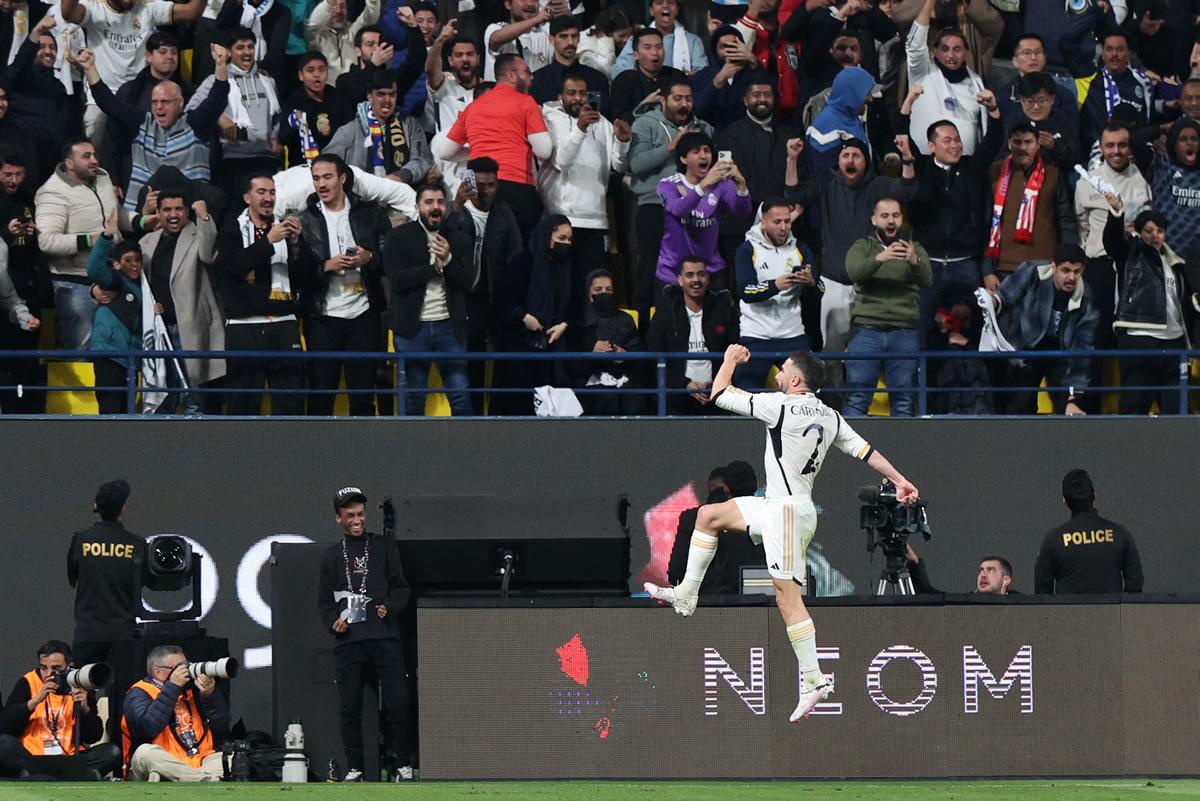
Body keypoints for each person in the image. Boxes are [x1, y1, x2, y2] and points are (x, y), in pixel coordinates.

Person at [645, 345, 920, 721]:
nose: (779, 370)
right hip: (777, 505)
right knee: (707, 516)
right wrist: (900, 479)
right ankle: (686, 595)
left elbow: (720, 394)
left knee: (786, 600)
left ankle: (814, 679)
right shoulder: (831, 416)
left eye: (785, 368)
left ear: (795, 380)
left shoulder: (781, 405)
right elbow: (865, 451)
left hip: (787, 514)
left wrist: (729, 360)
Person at [784, 136, 917, 359]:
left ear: (866, 161)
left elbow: (907, 190)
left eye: (856, 155)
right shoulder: (827, 185)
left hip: (871, 285)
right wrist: (791, 159)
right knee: (830, 353)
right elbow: (794, 193)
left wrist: (907, 159)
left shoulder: (879, 185)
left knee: (869, 354)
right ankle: (833, 394)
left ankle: (863, 393)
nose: (850, 160)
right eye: (845, 155)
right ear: (839, 161)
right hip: (833, 283)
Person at [317, 486, 414, 782]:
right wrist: (334, 621)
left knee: (398, 701)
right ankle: (356, 767)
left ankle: (403, 765)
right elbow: (324, 602)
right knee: (350, 707)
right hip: (350, 643)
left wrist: (389, 607)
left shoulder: (384, 547)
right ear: (338, 519)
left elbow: (401, 587)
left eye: (360, 514)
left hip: (384, 637)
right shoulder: (332, 557)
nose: (357, 520)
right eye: (350, 515)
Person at [76, 44, 229, 212]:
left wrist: (221, 66)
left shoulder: (195, 123)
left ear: (180, 103)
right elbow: (109, 103)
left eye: (165, 102)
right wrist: (90, 69)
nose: (159, 107)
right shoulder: (142, 122)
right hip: (147, 210)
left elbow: (217, 100)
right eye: (155, 102)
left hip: (189, 210)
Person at [296, 154, 390, 416]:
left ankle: (363, 456)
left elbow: (392, 260)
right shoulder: (305, 220)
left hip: (364, 316)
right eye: (316, 178)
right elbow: (298, 275)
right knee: (320, 396)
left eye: (327, 177)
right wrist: (326, 267)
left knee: (362, 398)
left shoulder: (371, 214)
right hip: (322, 318)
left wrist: (369, 258)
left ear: (343, 178)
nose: (321, 184)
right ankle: (318, 455)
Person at [433, 53, 552, 241]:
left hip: (477, 190)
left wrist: (480, 149)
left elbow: (445, 152)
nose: (531, 78)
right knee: (517, 255)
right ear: (512, 75)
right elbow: (544, 151)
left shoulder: (473, 107)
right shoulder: (526, 102)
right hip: (516, 186)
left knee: (482, 251)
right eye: (526, 72)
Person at [538, 71, 630, 313]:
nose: (578, 98)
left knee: (590, 289)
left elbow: (619, 166)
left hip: (596, 221)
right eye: (571, 93)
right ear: (561, 96)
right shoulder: (549, 119)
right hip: (561, 219)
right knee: (562, 288)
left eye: (582, 93)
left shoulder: (601, 123)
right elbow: (561, 162)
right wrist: (579, 128)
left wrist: (622, 141)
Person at [215, 173, 306, 415]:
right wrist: (268, 242)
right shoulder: (231, 229)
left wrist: (296, 246)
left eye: (272, 192)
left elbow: (304, 278)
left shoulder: (286, 231)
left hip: (284, 325)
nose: (268, 198)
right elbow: (229, 268)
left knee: (291, 406)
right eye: (261, 192)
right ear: (247, 198)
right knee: (242, 406)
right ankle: (243, 454)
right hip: (244, 327)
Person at [383, 181, 473, 416]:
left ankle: (468, 450)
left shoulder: (460, 239)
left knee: (461, 395)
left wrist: (449, 259)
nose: (435, 208)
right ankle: (412, 451)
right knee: (413, 399)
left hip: (450, 328)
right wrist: (435, 269)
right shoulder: (398, 237)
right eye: (429, 202)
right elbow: (398, 280)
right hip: (412, 329)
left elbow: (467, 282)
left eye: (440, 202)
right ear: (417, 206)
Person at [627, 75, 712, 322]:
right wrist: (671, 147)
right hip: (655, 208)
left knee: (695, 273)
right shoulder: (645, 124)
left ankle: (692, 329)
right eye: (677, 99)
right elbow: (636, 164)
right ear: (663, 100)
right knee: (649, 273)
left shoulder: (703, 129)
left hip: (695, 211)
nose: (684, 104)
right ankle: (645, 334)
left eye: (688, 98)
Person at [1103, 195, 1195, 416]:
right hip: (1139, 337)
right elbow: (1113, 241)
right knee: (1134, 407)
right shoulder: (1131, 253)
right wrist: (1116, 213)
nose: (1155, 236)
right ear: (1138, 232)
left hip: (1175, 344)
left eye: (1160, 231)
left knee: (1177, 411)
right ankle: (1128, 451)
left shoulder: (1177, 264)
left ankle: (1175, 452)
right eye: (1149, 231)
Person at [35, 138, 129, 350]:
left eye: (94, 155)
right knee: (80, 348)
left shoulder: (103, 178)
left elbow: (114, 217)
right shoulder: (52, 192)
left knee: (115, 345)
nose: (94, 160)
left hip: (112, 276)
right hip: (75, 282)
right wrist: (90, 239)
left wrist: (140, 220)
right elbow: (46, 241)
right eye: (86, 156)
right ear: (69, 163)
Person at [444, 156, 521, 413]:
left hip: (491, 297)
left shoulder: (503, 211)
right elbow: (438, 239)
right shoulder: (457, 211)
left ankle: (494, 417)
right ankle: (471, 419)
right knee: (467, 365)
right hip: (460, 298)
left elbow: (514, 253)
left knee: (494, 362)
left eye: (491, 184)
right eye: (481, 184)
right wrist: (455, 205)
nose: (486, 190)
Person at [843, 196, 932, 417]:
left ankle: (900, 450)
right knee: (857, 398)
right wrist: (880, 258)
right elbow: (854, 272)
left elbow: (928, 280)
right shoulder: (862, 246)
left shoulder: (914, 248)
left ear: (902, 219)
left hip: (904, 331)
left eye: (895, 215)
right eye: (885, 216)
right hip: (866, 330)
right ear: (874, 220)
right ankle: (848, 451)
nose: (890, 221)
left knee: (903, 400)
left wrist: (914, 262)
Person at [988, 244, 1097, 416]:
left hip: (1062, 354)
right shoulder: (1031, 271)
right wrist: (992, 301)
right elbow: (1004, 296)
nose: (1071, 277)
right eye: (1065, 270)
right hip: (1027, 350)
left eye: (1077, 272)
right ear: (1054, 267)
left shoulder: (1087, 299)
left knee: (1067, 410)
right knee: (1019, 407)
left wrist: (1073, 398)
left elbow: (1083, 350)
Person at [0, 640, 122, 779]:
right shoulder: (28, 682)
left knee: (112, 751)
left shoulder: (80, 683)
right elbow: (5, 725)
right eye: (43, 668)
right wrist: (35, 701)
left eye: (56, 668)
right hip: (33, 755)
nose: (49, 674)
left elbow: (93, 736)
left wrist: (85, 709)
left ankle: (39, 774)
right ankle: (75, 775)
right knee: (4, 744)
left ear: (69, 666)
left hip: (69, 756)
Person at [186, 27, 282, 197]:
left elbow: (277, 118)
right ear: (229, 52)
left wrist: (275, 137)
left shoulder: (268, 81)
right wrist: (219, 117)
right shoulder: (215, 80)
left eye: (251, 47)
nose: (247, 52)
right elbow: (191, 111)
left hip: (267, 160)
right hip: (233, 160)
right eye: (240, 47)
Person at [655, 132, 752, 295]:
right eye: (696, 151)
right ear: (683, 159)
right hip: (672, 273)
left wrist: (741, 184)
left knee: (717, 320)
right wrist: (703, 186)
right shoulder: (667, 185)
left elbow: (743, 212)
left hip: (710, 271)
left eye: (707, 150)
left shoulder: (721, 185)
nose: (703, 156)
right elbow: (678, 209)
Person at [981, 121, 1078, 284]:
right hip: (1003, 268)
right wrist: (987, 270)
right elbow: (986, 223)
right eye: (1017, 142)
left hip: (1044, 268)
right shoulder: (995, 173)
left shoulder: (1053, 174)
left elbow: (1065, 220)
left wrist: (1067, 264)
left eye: (1028, 142)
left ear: (1038, 144)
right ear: (1009, 143)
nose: (1023, 148)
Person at [734, 199, 817, 389]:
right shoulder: (747, 249)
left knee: (806, 394)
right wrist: (776, 285)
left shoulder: (801, 249)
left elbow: (819, 290)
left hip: (793, 335)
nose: (783, 227)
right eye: (777, 222)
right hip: (755, 336)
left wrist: (811, 283)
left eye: (787, 221)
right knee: (744, 395)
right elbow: (745, 291)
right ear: (763, 222)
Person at [120, 644, 230, 781]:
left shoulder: (193, 689)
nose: (186, 671)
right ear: (158, 672)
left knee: (232, 759)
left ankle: (188, 779)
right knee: (145, 753)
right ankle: (203, 780)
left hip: (200, 761)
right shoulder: (138, 692)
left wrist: (210, 695)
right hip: (163, 761)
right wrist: (172, 687)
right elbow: (148, 728)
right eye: (179, 667)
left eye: (187, 665)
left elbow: (222, 728)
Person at [645, 255, 739, 415]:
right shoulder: (666, 313)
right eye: (690, 275)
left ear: (708, 278)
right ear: (680, 280)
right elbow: (653, 358)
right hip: (678, 395)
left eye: (701, 274)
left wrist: (718, 382)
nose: (696, 280)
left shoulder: (724, 310)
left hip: (719, 392)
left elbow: (735, 352)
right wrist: (685, 385)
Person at [67, 479, 143, 666]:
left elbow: (72, 578)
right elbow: (146, 581)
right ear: (123, 508)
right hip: (123, 634)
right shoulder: (137, 544)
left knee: (83, 691)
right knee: (122, 691)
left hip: (88, 633)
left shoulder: (81, 540)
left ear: (96, 505)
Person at [1034, 469, 1143, 594]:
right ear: (1095, 496)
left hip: (1068, 613)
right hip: (1110, 613)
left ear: (1064, 500)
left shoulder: (1053, 540)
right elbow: (1135, 584)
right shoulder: (1120, 535)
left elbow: (1042, 595)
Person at [905, 0, 988, 156]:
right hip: (925, 165)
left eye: (957, 49)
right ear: (934, 51)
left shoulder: (976, 83)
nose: (950, 55)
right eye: (944, 49)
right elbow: (914, 44)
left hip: (963, 169)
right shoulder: (922, 72)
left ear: (965, 53)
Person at [666, 461, 763, 594]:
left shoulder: (693, 518)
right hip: (766, 604)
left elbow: (676, 572)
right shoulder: (773, 517)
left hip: (707, 607)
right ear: (757, 485)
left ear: (726, 488)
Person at [0, 149, 49, 414]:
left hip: (25, 289)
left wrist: (32, 235)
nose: (13, 180)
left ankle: (27, 414)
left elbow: (37, 249)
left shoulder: (29, 197)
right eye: (8, 174)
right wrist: (5, 234)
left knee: (27, 359)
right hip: (4, 290)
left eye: (19, 174)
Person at [325, 69, 433, 186]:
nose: (387, 100)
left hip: (402, 194)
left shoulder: (410, 125)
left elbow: (422, 160)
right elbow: (326, 166)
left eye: (392, 95)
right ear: (370, 97)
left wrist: (401, 176)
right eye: (381, 94)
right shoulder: (348, 132)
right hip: (361, 199)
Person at [567, 269, 642, 415]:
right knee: (607, 398)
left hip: (625, 380)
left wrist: (625, 355)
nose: (604, 293)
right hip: (591, 383)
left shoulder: (626, 320)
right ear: (589, 294)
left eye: (608, 289)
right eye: (598, 290)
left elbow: (640, 352)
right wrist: (592, 353)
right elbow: (571, 366)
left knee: (633, 397)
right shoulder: (579, 323)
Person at [279, 51, 353, 166]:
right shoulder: (293, 102)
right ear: (301, 75)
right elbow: (284, 137)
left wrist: (331, 130)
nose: (317, 75)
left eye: (321, 70)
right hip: (302, 166)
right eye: (310, 70)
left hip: (336, 164)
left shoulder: (338, 98)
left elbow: (350, 130)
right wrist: (295, 125)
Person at [530, 15, 609, 111]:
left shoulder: (597, 78)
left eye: (574, 36)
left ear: (579, 38)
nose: (570, 42)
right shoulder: (537, 81)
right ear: (551, 39)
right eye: (563, 36)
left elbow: (604, 117)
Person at [611, 0, 706, 78]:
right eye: (659, 3)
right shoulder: (637, 38)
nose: (665, 6)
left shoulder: (693, 41)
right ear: (651, 11)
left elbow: (703, 74)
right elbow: (618, 71)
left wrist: (691, 77)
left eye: (670, 3)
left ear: (677, 10)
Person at [305, 0, 382, 82]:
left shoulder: (352, 31)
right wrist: (328, 3)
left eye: (343, 6)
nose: (338, 11)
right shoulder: (316, 36)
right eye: (334, 6)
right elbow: (313, 26)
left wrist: (373, 1)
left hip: (354, 88)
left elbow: (370, 18)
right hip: (326, 91)